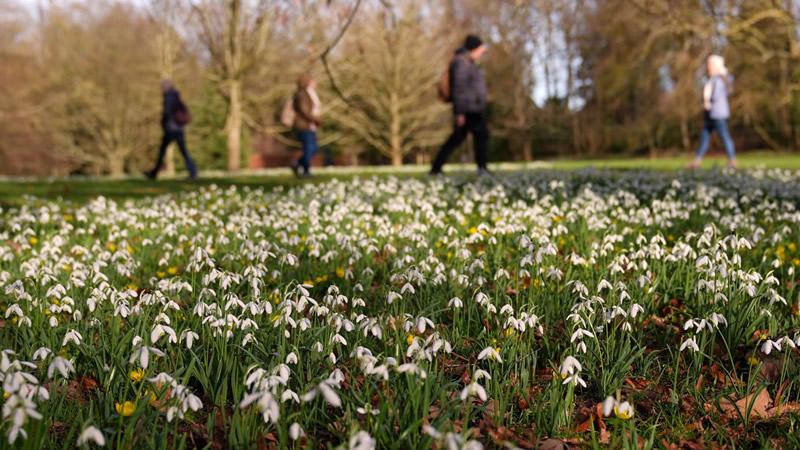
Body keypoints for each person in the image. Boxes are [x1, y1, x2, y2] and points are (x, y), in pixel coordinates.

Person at [430, 35, 489, 176]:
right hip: (468, 110)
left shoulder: (469, 62)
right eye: (481, 49)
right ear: (474, 49)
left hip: (472, 109)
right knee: (479, 136)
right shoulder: (462, 63)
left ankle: (436, 168)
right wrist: (460, 112)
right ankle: (481, 168)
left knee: (459, 138)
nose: (482, 52)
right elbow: (459, 88)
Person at [688, 55, 736, 169]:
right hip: (710, 112)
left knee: (724, 136)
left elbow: (716, 96)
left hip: (717, 113)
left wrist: (707, 101)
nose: (707, 67)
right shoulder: (713, 79)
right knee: (704, 136)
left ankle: (732, 161)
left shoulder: (719, 79)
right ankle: (697, 161)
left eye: (709, 64)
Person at [145, 80, 197, 180]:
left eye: (162, 86)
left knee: (169, 151)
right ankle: (193, 172)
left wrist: (163, 123)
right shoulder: (176, 95)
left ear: (167, 86)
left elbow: (167, 112)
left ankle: (154, 173)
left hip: (171, 128)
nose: (161, 89)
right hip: (178, 128)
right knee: (181, 151)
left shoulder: (169, 96)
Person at [290, 74, 323, 178]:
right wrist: (316, 119)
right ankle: (306, 171)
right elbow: (304, 111)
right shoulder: (302, 94)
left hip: (309, 125)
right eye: (312, 81)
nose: (314, 83)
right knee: (309, 149)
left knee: (314, 148)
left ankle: (297, 164)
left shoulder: (307, 94)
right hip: (303, 125)